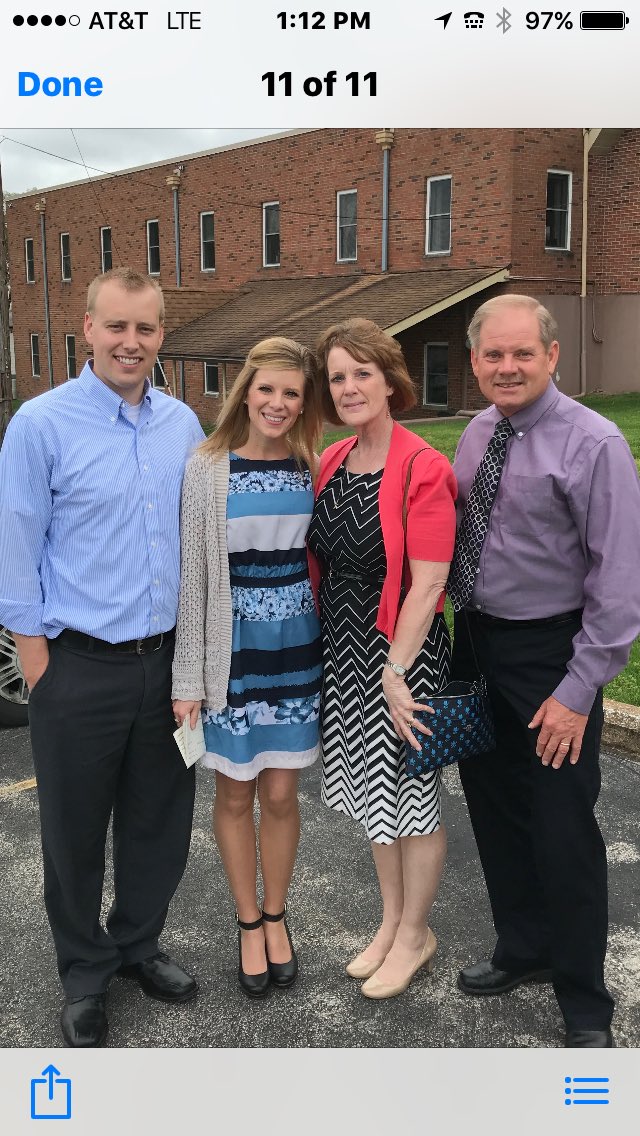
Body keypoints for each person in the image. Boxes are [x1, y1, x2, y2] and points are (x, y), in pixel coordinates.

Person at [0, 267, 205, 1047]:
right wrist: (39, 667)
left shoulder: (181, 424)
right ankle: (85, 972)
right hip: (77, 666)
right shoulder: (41, 425)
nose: (130, 341)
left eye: (145, 328)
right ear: (87, 327)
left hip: (166, 664)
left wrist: (192, 664)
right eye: (116, 326)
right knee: (74, 833)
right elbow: (15, 547)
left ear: (161, 335)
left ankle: (138, 945)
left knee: (160, 821)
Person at [448, 293, 640, 1048]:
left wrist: (578, 689)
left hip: (552, 655)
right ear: (474, 361)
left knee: (563, 829)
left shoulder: (594, 443)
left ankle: (585, 1000)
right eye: (493, 354)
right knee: (494, 810)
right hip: (478, 643)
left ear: (552, 356)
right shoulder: (476, 434)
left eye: (522, 352)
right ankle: (523, 947)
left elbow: (617, 583)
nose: (508, 366)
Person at [307, 318, 457, 1000]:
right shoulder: (334, 460)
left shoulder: (424, 468)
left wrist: (395, 673)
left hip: (403, 660)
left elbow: (428, 583)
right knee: (375, 797)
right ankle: (392, 921)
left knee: (412, 803)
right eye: (337, 376)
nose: (348, 387)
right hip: (346, 655)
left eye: (361, 373)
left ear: (390, 381)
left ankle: (417, 933)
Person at [172, 337, 323, 999]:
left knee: (282, 795)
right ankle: (247, 923)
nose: (277, 403)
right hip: (230, 657)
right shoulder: (207, 466)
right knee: (235, 794)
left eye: (291, 392)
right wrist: (187, 680)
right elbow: (193, 581)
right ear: (246, 391)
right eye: (267, 388)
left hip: (295, 652)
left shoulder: (310, 464)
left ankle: (277, 915)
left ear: (304, 403)